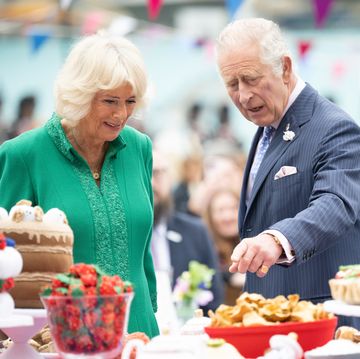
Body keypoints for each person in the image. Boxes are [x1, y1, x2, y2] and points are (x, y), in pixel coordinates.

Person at [0, 32, 159, 337]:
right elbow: (5, 266)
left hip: (141, 334)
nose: (121, 114)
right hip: (62, 339)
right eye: (110, 101)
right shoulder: (22, 155)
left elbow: (144, 249)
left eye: (130, 101)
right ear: (80, 94)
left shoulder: (140, 148)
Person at [216, 18, 360, 328]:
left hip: (323, 326)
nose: (243, 95)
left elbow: (336, 203)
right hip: (272, 324)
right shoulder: (267, 129)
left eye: (251, 79)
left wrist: (277, 240)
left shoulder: (335, 127)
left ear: (284, 67)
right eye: (232, 84)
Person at [151, 148, 224, 313]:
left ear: (170, 179)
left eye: (156, 173)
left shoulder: (195, 231)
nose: (150, 183)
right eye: (142, 173)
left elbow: (214, 302)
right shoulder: (117, 238)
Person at [203, 187, 245, 305]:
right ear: (210, 216)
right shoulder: (207, 248)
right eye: (221, 210)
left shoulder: (254, 242)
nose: (228, 216)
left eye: (234, 208)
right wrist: (229, 275)